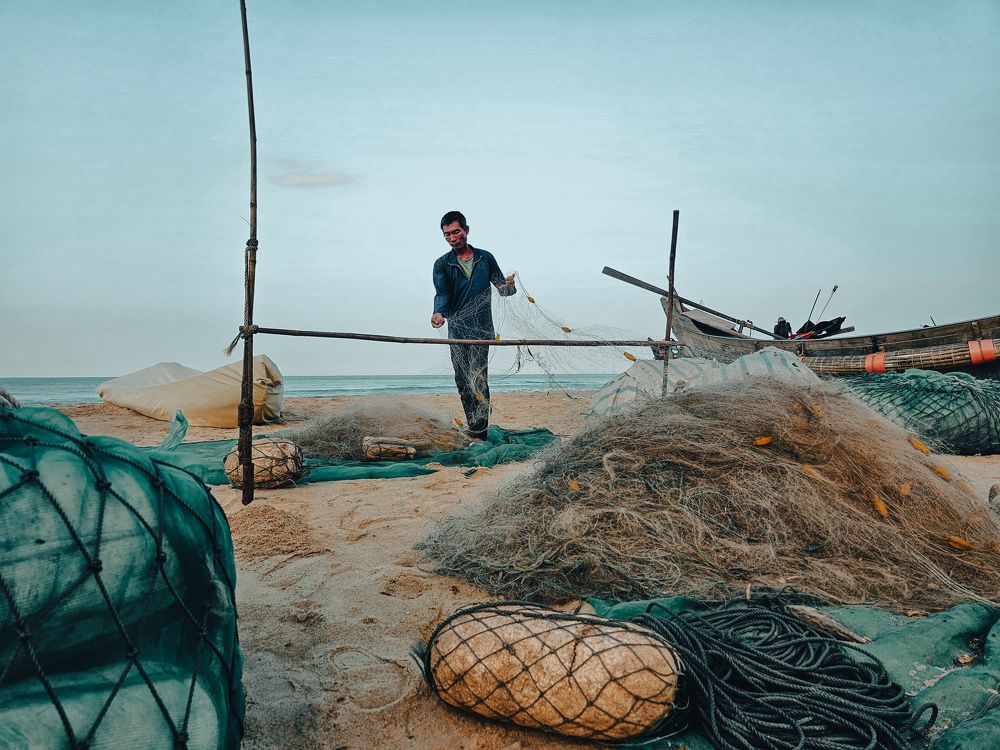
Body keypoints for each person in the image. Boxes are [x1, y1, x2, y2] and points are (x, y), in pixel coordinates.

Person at [431, 211, 516, 440]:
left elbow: (502, 287)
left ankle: (480, 433)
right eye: (447, 234)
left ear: (466, 231)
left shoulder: (485, 258)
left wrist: (510, 286)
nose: (452, 238)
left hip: (481, 330)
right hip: (457, 331)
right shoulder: (442, 264)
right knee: (462, 380)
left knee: (478, 378)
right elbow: (442, 294)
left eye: (456, 232)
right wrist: (438, 313)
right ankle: (473, 426)